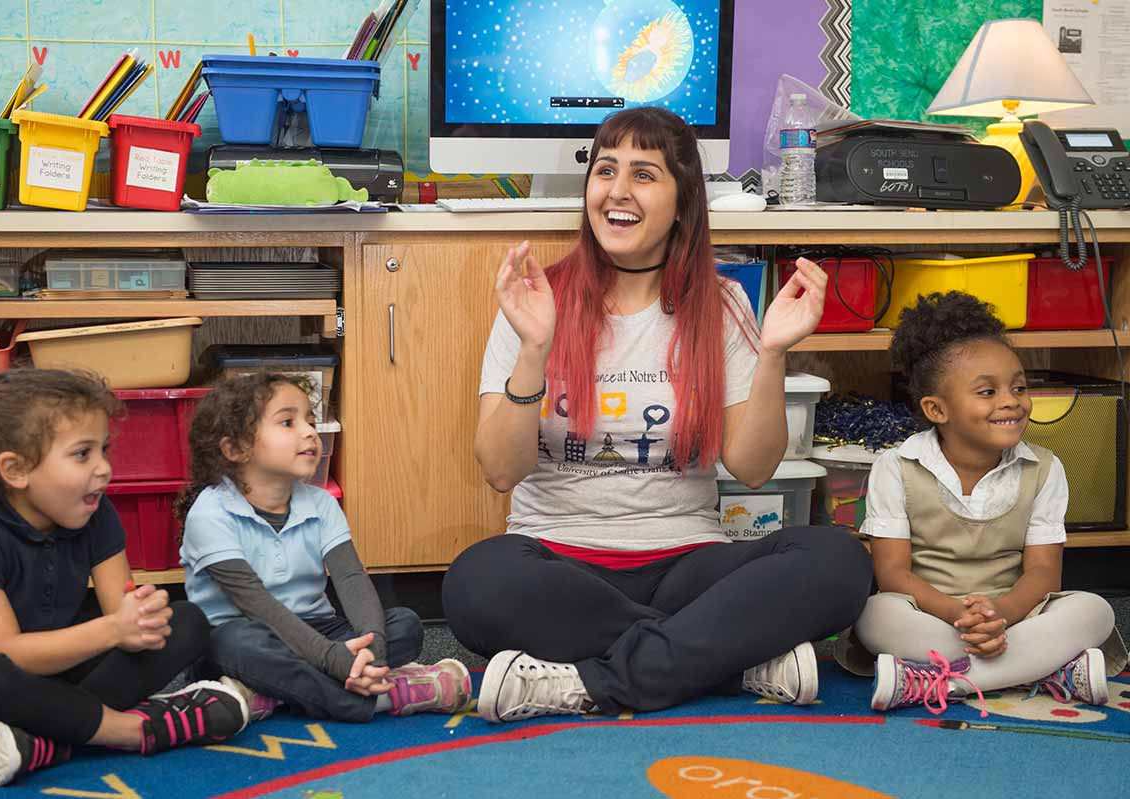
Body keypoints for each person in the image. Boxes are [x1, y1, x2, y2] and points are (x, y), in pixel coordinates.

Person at [442, 106, 873, 723]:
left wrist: (774, 352)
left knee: (841, 561)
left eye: (643, 174)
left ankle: (590, 682)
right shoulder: (538, 300)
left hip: (686, 561)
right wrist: (535, 349)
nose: (616, 191)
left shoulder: (720, 305)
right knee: (473, 586)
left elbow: (752, 469)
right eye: (604, 170)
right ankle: (729, 661)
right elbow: (500, 471)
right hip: (556, 558)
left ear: (683, 201)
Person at [0, 365, 248, 789]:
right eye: (83, 454)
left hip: (52, 678)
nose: (103, 469)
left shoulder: (95, 512)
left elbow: (122, 611)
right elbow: (5, 652)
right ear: (16, 469)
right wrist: (113, 630)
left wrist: (141, 618)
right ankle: (132, 731)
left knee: (186, 620)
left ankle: (47, 739)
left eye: (104, 450)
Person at [843, 290, 1127, 713]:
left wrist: (1000, 614)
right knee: (874, 615)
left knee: (1096, 611)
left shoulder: (1045, 468)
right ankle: (1044, 670)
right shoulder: (896, 466)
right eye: (987, 392)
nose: (1011, 400)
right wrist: (962, 615)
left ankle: (940, 681)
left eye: (1018, 387)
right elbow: (893, 574)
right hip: (931, 616)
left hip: (1016, 615)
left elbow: (1045, 574)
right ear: (937, 409)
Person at [178, 372, 470, 723]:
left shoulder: (321, 504)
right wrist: (334, 660)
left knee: (404, 625)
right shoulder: (210, 513)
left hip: (319, 628)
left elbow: (351, 580)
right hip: (245, 631)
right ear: (235, 449)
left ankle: (268, 696)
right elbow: (257, 605)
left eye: (311, 420)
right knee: (238, 643)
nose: (310, 432)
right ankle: (383, 698)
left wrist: (372, 649)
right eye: (288, 422)